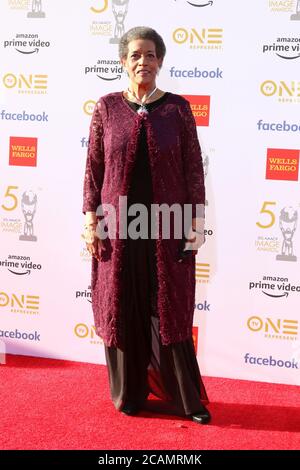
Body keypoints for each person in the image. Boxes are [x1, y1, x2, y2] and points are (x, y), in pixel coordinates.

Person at [82, 26, 211, 424]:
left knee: (169, 307)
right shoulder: (105, 108)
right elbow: (94, 169)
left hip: (166, 227)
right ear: (123, 61)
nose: (144, 62)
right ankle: (129, 394)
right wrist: (91, 219)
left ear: (161, 61)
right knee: (123, 302)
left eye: (151, 55)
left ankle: (186, 400)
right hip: (118, 229)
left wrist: (197, 221)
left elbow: (193, 170)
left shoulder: (178, 110)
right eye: (136, 55)